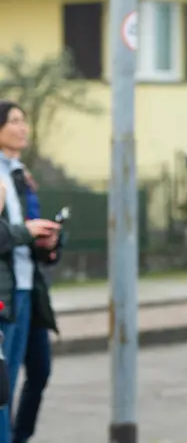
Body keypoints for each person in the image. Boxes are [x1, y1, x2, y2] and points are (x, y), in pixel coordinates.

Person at [0, 102, 61, 443]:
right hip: (7, 291)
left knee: (39, 370)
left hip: (29, 285)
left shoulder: (20, 174)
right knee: (4, 379)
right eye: (14, 121)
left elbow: (26, 228)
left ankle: (19, 436)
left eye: (25, 121)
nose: (23, 128)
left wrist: (49, 241)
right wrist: (28, 231)